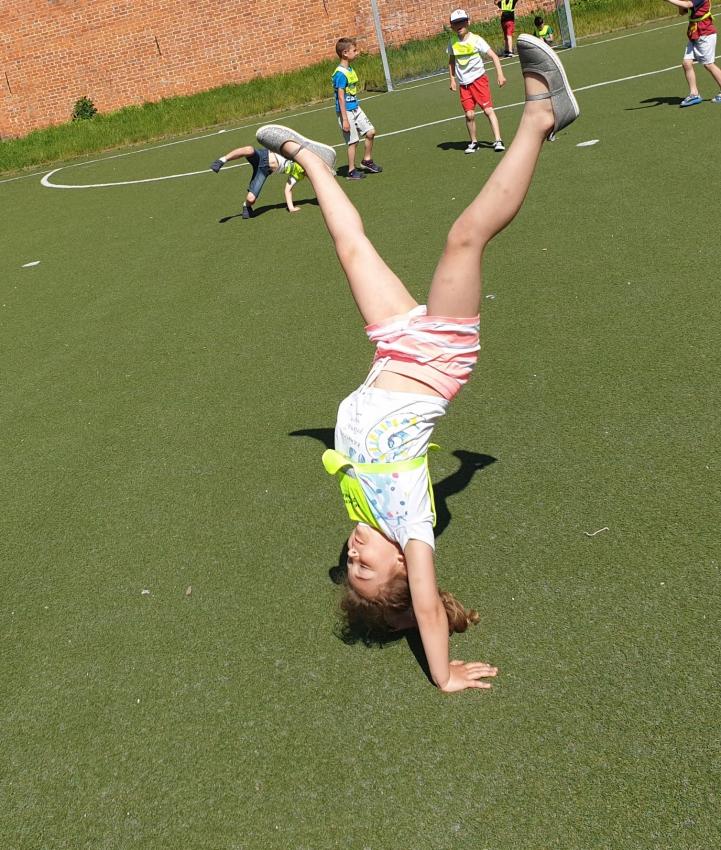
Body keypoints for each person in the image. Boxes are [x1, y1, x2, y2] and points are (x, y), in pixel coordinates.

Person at [255, 34, 579, 692]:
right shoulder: (412, 527)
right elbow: (425, 605)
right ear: (405, 567)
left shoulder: (361, 503)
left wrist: (463, 471)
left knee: (350, 246)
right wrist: (443, 672)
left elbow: (362, 460)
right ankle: (542, 115)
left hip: (395, 345)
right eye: (365, 568)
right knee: (465, 237)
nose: (352, 556)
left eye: (350, 567)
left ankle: (314, 159)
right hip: (437, 359)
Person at [448, 8, 507, 154]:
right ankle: (474, 142)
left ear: (468, 22)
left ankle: (498, 140)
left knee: (488, 110)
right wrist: (452, 79)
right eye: (456, 23)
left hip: (479, 81)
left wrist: (500, 75)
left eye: (462, 22)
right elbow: (451, 61)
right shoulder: (452, 42)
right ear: (452, 26)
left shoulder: (476, 39)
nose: (459, 25)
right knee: (469, 115)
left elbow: (494, 56)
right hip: (464, 85)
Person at [332, 37, 383, 180]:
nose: (357, 52)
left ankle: (367, 161)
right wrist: (345, 119)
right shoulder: (340, 74)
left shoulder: (350, 69)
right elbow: (340, 97)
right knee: (353, 142)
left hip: (355, 108)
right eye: (354, 50)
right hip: (346, 112)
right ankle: (351, 171)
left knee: (371, 132)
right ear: (345, 53)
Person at [209, 145, 307, 217]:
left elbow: (288, 189)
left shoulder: (300, 174)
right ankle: (222, 160)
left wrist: (291, 208)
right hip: (262, 155)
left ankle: (246, 206)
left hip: (264, 171)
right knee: (249, 149)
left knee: (251, 199)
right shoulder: (300, 154)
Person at [663, 0, 721, 105]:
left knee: (708, 64)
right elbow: (682, 12)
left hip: (705, 34)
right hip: (694, 34)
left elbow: (687, 5)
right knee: (686, 63)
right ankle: (694, 94)